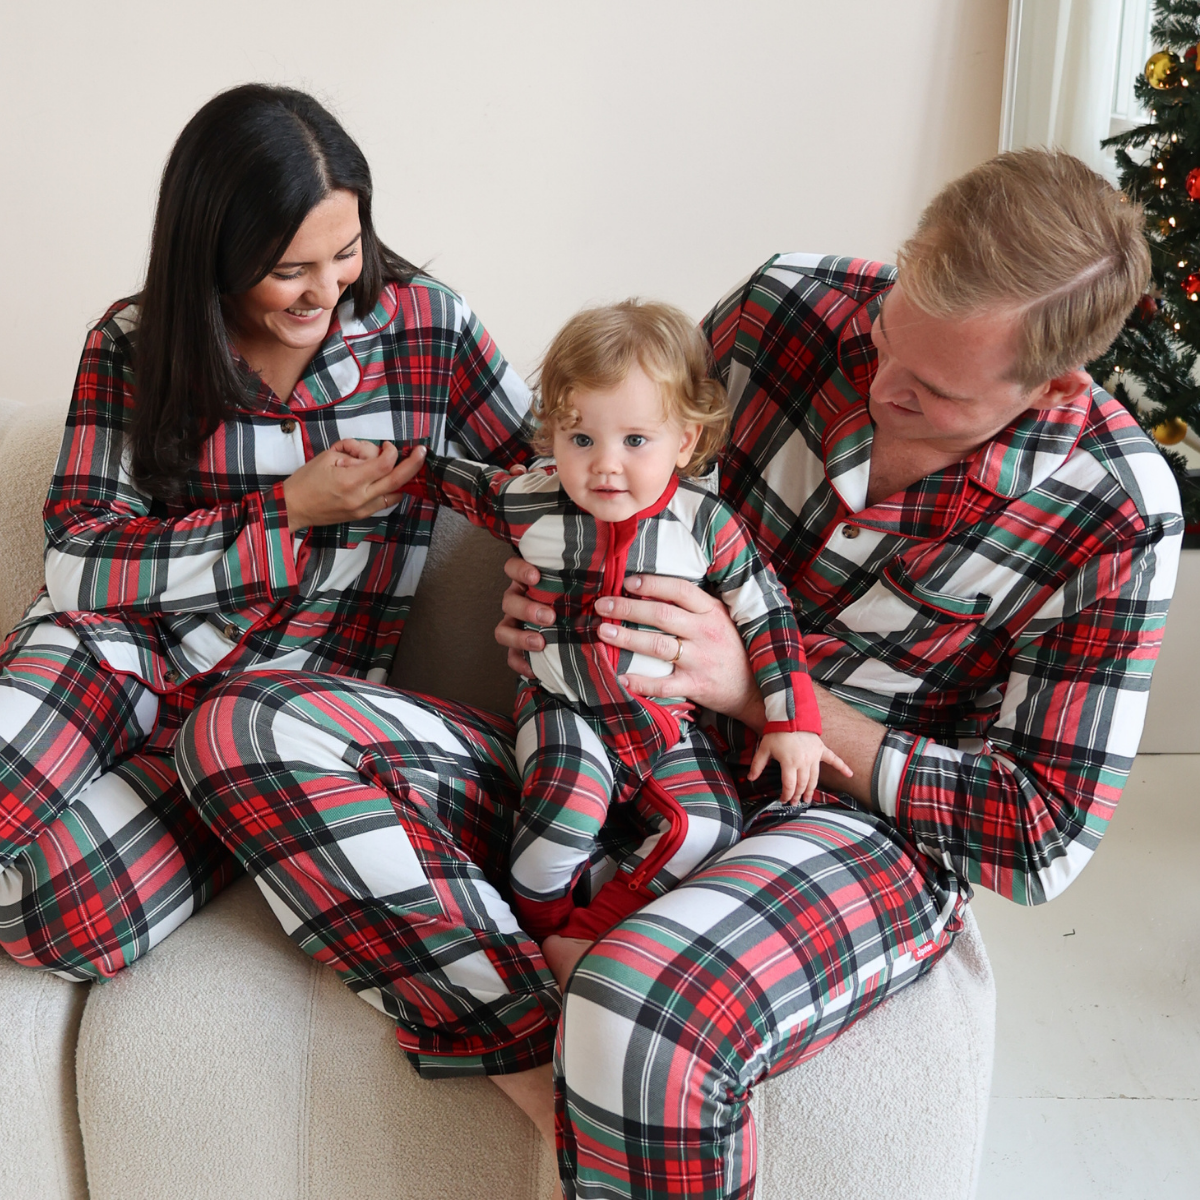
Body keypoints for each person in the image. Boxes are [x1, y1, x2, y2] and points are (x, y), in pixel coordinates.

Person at [178, 148, 1183, 1198]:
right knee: (243, 730)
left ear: (1054, 386)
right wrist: (543, 588)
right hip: (599, 748)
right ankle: (542, 1065)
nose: (882, 385)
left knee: (640, 1019)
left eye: (932, 394)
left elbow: (1041, 836)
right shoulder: (786, 307)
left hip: (841, 830)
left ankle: (602, 1053)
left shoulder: (1114, 509)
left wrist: (760, 692)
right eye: (890, 334)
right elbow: (601, 458)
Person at [0, 83, 534, 999]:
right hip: (111, 649)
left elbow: (543, 485)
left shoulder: (427, 330)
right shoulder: (135, 342)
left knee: (60, 918)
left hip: (257, 725)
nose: (326, 289)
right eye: (290, 269)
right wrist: (283, 512)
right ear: (217, 250)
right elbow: (79, 561)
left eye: (346, 252)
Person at [405, 300, 850, 986]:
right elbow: (454, 481)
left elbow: (768, 616)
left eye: (636, 440)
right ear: (554, 435)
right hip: (565, 708)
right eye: (581, 439)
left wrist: (793, 722)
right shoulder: (530, 498)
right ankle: (538, 928)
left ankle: (588, 931)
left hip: (664, 722)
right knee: (567, 807)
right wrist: (397, 466)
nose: (605, 466)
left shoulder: (704, 523)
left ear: (686, 441)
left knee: (710, 828)